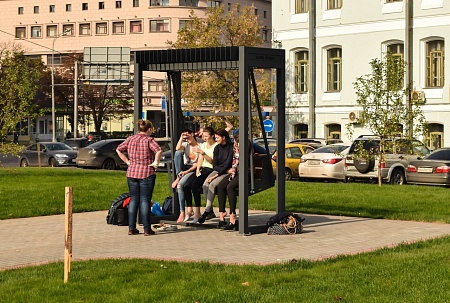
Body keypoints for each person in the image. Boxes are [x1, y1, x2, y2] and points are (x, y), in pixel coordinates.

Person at [116, 119, 162, 236]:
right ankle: (147, 229)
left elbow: (119, 149)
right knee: (145, 200)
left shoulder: (130, 139)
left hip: (132, 172)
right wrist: (156, 162)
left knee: (134, 199)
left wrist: (127, 161)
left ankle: (132, 228)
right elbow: (158, 150)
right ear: (149, 129)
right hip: (146, 172)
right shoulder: (149, 140)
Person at [216, 133, 251, 231]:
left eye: (236, 141)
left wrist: (238, 148)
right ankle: (222, 214)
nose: (234, 143)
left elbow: (243, 158)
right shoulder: (234, 149)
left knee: (230, 187)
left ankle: (233, 216)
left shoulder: (246, 147)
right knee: (221, 186)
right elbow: (233, 162)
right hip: (235, 171)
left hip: (245, 173)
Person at [182, 127, 217, 223]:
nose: (204, 138)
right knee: (186, 186)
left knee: (195, 186)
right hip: (202, 168)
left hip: (210, 169)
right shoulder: (204, 145)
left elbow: (212, 161)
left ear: (212, 136)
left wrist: (203, 152)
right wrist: (197, 169)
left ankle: (198, 212)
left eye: (206, 136)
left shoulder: (216, 146)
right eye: (203, 136)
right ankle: (189, 210)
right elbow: (200, 159)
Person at [199, 128, 233, 224]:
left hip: (226, 172)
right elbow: (215, 164)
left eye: (217, 138)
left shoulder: (230, 147)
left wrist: (218, 174)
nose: (216, 139)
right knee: (206, 184)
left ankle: (206, 211)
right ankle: (208, 209)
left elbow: (228, 163)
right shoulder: (217, 148)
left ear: (224, 137)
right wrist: (217, 172)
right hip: (219, 170)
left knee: (213, 184)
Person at [171, 129, 201, 223]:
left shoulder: (200, 146)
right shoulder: (186, 145)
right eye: (185, 138)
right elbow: (177, 148)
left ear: (192, 134)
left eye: (188, 136)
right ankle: (182, 212)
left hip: (193, 168)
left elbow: (198, 164)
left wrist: (186, 172)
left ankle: (179, 177)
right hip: (184, 168)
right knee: (177, 153)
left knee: (180, 185)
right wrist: (181, 137)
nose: (187, 139)